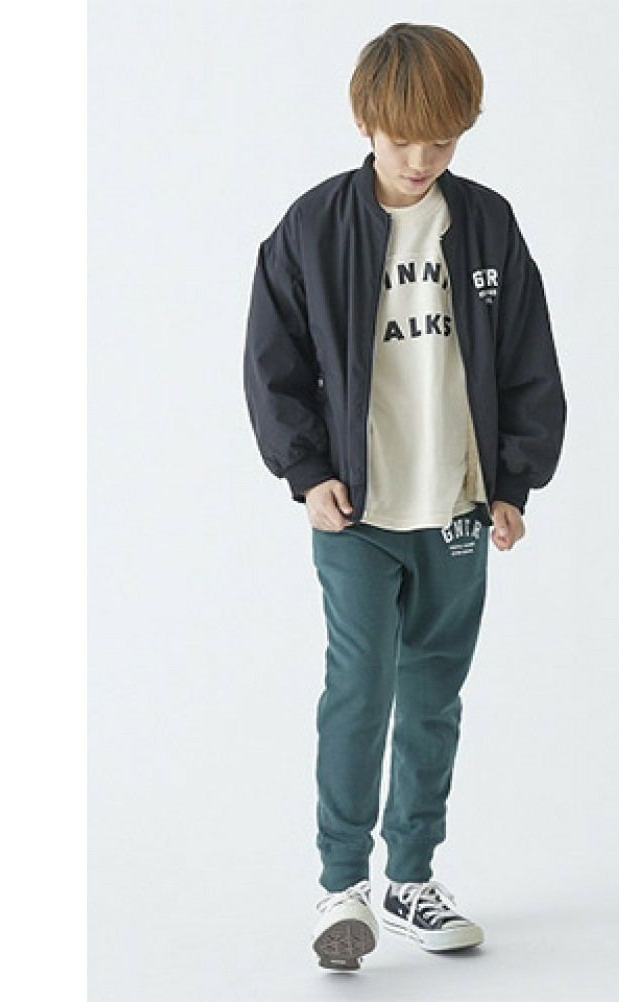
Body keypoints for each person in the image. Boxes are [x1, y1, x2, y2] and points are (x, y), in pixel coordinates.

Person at [243, 22, 568, 971]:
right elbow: (273, 363)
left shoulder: (488, 223)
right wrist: (306, 472)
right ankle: (341, 885)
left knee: (432, 699)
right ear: (364, 123)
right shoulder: (313, 227)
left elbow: (528, 359)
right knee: (359, 688)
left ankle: (412, 880)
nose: (421, 160)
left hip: (457, 511)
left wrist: (511, 483)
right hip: (356, 513)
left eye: (443, 141)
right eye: (402, 141)